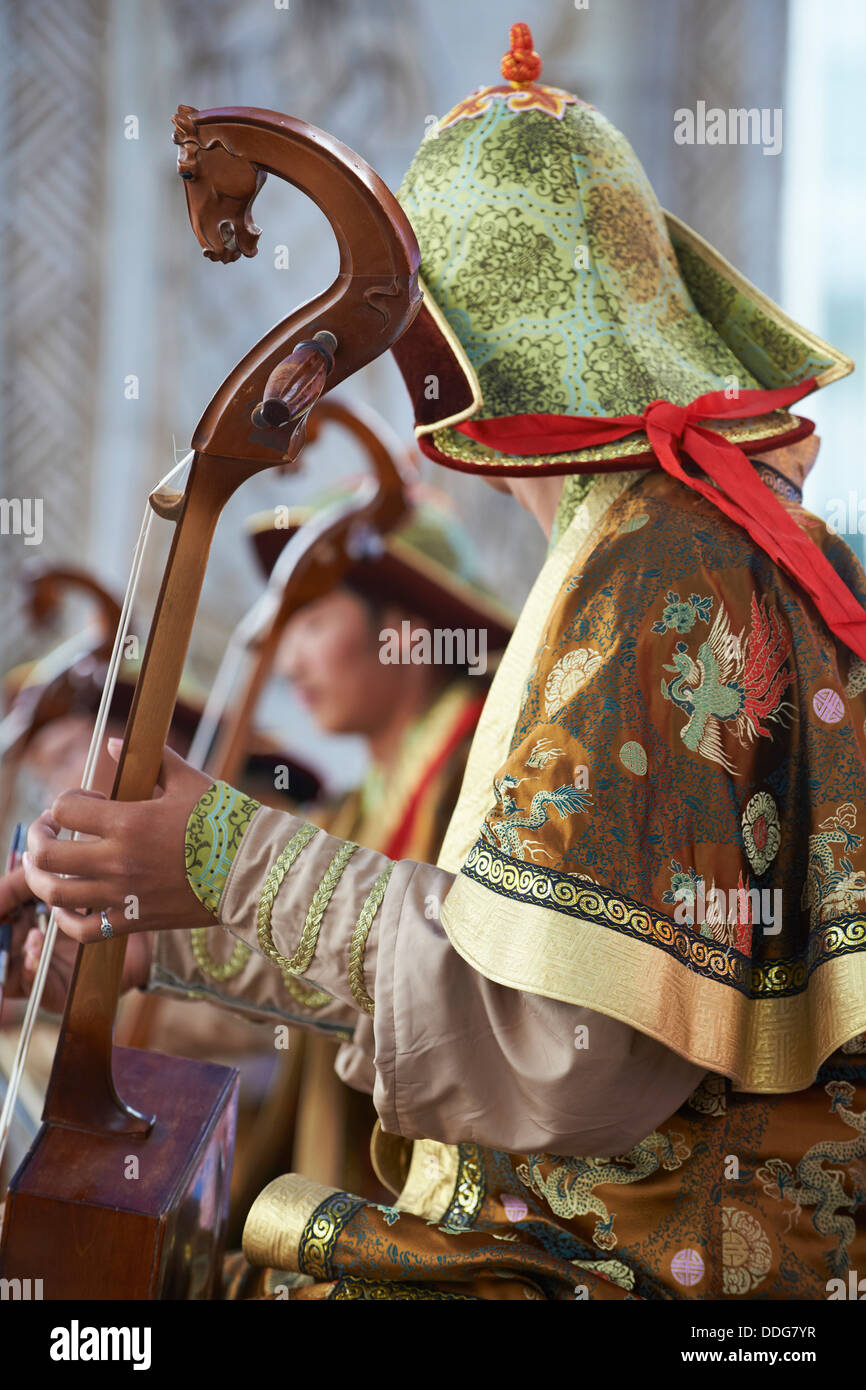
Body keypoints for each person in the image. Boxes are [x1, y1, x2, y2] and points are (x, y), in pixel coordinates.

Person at [6, 23, 866, 1300]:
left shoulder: (662, 564)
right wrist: (176, 929)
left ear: (466, 345)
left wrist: (222, 856)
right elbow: (507, 952)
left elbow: (570, 1046)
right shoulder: (662, 536)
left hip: (636, 1263)